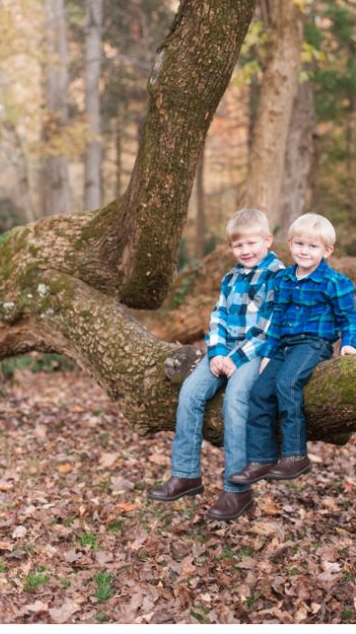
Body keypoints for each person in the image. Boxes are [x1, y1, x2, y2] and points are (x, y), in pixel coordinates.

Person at [147, 209, 286, 521]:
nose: (245, 251)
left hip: (256, 353)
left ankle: (237, 490)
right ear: (230, 248)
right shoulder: (230, 278)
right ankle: (186, 475)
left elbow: (270, 328)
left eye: (252, 243)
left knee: (236, 398)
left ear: (267, 240)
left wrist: (234, 360)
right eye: (238, 246)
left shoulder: (279, 278)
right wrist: (218, 352)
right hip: (224, 352)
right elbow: (217, 318)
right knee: (191, 392)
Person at [230, 212, 356, 488]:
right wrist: (267, 353)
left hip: (313, 344)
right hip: (282, 345)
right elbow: (276, 319)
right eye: (300, 244)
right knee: (259, 392)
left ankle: (295, 456)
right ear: (290, 244)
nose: (305, 251)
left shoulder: (335, 282)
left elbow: (349, 318)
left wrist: (350, 344)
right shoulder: (284, 279)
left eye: (313, 246)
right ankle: (261, 459)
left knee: (287, 382)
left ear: (327, 251)